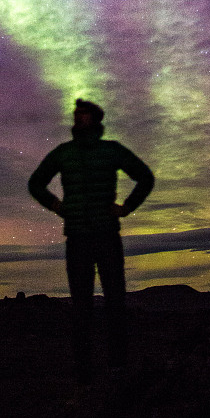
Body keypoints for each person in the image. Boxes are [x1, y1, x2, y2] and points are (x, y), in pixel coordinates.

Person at [28, 98, 155, 384]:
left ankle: (117, 365)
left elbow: (145, 177)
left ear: (94, 120)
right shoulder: (65, 153)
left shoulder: (110, 151)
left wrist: (126, 207)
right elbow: (35, 182)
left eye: (81, 115)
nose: (77, 119)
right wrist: (56, 205)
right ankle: (85, 369)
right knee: (82, 305)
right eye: (76, 115)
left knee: (115, 302)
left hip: (106, 235)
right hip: (78, 237)